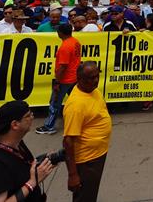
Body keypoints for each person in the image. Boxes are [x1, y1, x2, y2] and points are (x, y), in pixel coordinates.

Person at [0, 100, 55, 202]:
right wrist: (32, 183)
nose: (32, 117)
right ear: (15, 124)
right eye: (28, 116)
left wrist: (43, 165)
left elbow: (19, 173)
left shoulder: (18, 145)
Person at [62, 61, 112, 202]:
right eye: (91, 78)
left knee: (90, 195)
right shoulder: (75, 105)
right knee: (85, 197)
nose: (96, 80)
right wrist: (73, 175)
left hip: (98, 154)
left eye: (97, 76)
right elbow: (68, 141)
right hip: (87, 161)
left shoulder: (93, 90)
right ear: (80, 79)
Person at [36, 23, 81, 135]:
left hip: (65, 80)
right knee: (76, 101)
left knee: (54, 103)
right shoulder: (75, 42)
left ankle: (49, 126)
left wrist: (57, 82)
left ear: (61, 33)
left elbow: (63, 67)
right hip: (74, 77)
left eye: (58, 31)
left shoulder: (65, 47)